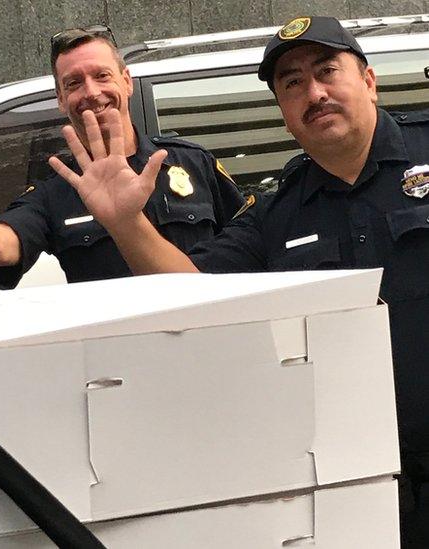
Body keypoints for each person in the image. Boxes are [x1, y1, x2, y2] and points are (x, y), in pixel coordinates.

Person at [48, 17, 429, 548]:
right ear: (282, 109)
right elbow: (192, 291)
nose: (313, 93)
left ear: (368, 81)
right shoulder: (276, 212)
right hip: (363, 485)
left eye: (327, 71)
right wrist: (125, 223)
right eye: (291, 83)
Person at [0, 26, 243, 285]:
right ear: (61, 100)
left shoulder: (193, 163)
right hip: (113, 359)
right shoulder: (57, 191)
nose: (91, 92)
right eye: (74, 83)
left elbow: (252, 249)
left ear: (127, 81)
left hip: (206, 345)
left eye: (102, 76)